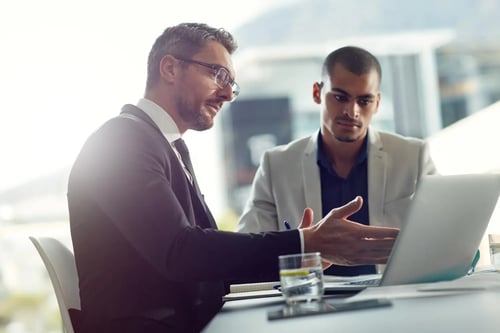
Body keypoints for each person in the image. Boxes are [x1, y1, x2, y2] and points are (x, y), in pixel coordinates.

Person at [67, 24, 399, 333]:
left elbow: (205, 261)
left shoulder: (163, 146)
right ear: (169, 68)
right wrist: (303, 241)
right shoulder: (122, 141)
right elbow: (181, 253)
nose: (227, 94)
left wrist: (300, 255)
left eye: (231, 84)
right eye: (218, 74)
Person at [236, 46, 438, 276]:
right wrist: (297, 245)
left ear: (378, 103)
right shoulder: (277, 165)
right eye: (340, 97)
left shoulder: (413, 156)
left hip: (394, 297)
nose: (351, 111)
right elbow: (246, 254)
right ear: (317, 93)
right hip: (313, 301)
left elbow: (445, 234)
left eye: (364, 101)